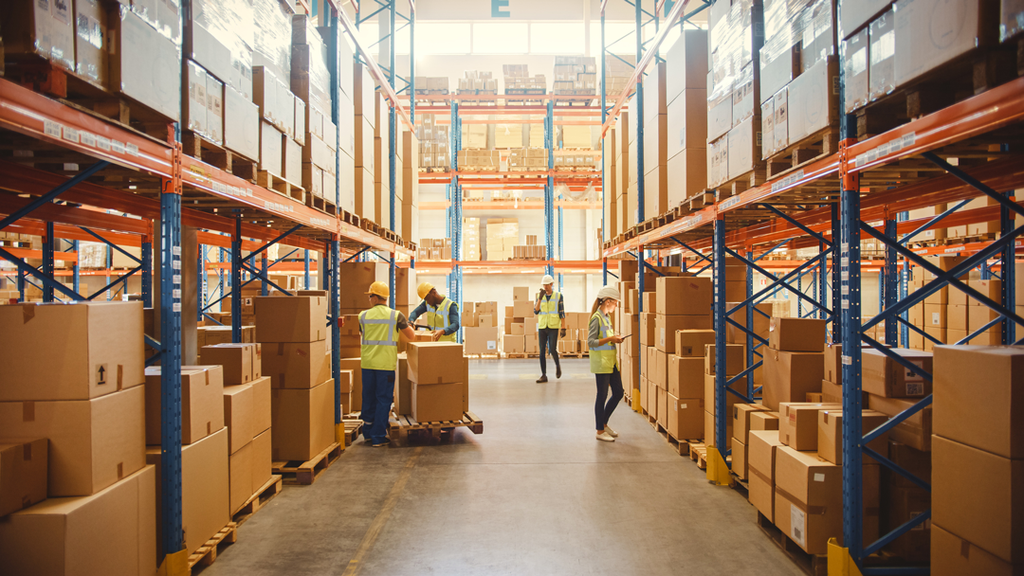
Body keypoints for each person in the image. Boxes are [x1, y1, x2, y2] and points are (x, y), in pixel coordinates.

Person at [359, 281, 416, 446]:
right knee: (383, 400)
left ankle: (368, 433)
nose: (369, 299)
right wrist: (408, 325)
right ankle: (378, 436)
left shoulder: (362, 316)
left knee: (368, 398)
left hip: (367, 365)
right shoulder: (396, 315)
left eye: (370, 296)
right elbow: (411, 336)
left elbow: (363, 334)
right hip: (385, 366)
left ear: (376, 298)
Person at [588, 286, 626, 442]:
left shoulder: (606, 317)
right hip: (601, 363)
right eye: (615, 302)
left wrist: (616, 338)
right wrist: (611, 339)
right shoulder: (596, 318)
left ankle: (604, 423)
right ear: (608, 301)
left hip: (611, 362)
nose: (616, 305)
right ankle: (599, 430)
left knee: (618, 392)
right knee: (602, 396)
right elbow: (591, 342)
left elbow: (607, 338)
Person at [534, 275, 566, 383]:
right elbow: (536, 311)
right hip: (542, 326)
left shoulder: (558, 296)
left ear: (551, 284)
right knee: (542, 351)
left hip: (553, 327)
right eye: (544, 285)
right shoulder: (540, 295)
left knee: (552, 349)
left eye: (547, 285)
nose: (545, 287)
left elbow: (562, 313)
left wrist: (563, 328)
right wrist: (539, 298)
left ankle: (557, 365)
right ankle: (543, 375)